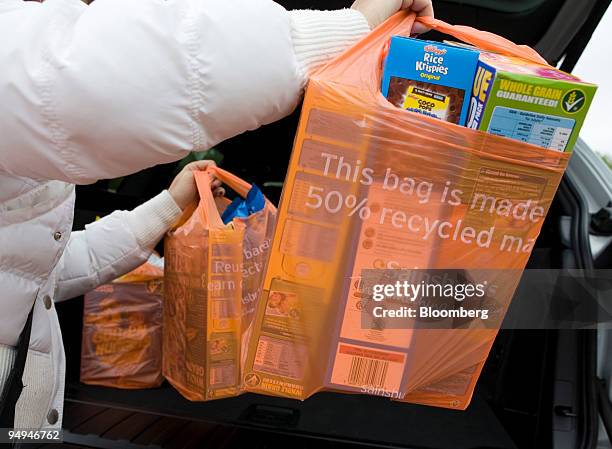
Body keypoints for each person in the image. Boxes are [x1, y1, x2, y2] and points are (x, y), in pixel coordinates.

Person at [0, 0, 434, 430]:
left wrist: (169, 205)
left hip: (26, 420)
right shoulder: (14, 43)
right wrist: (354, 25)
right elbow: (143, 74)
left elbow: (44, 272)